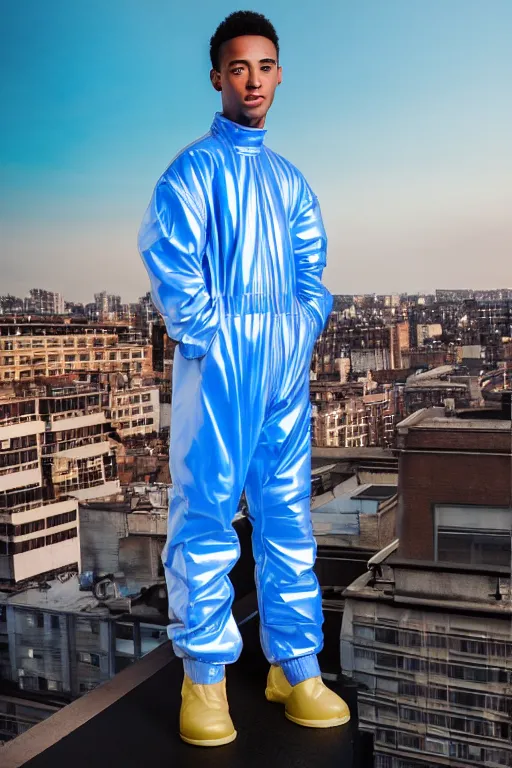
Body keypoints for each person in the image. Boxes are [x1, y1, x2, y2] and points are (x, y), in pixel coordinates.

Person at [138, 10, 350, 747]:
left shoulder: (291, 181)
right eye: (238, 68)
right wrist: (214, 338)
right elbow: (170, 260)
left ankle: (294, 663)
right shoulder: (191, 172)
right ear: (217, 78)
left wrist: (298, 329)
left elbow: (310, 270)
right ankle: (204, 676)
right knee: (205, 516)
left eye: (264, 67)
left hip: (286, 374)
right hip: (221, 373)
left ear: (280, 74)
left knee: (289, 518)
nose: (253, 81)